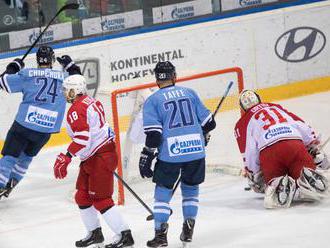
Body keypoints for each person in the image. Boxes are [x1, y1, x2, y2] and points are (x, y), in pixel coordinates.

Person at [139, 61, 216, 247]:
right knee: (190, 190)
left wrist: (146, 155)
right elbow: (209, 123)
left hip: (171, 154)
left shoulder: (153, 100)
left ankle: (160, 236)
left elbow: (154, 136)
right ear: (175, 76)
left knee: (162, 192)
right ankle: (189, 229)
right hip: (196, 151)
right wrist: (202, 134)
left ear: (157, 79)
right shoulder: (190, 93)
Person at [53, 74, 134, 248]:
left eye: (67, 90)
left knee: (102, 199)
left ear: (76, 90)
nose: (65, 93)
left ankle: (125, 235)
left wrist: (66, 156)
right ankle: (95, 233)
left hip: (100, 156)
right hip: (94, 156)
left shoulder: (76, 109)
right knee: (82, 196)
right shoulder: (90, 101)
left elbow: (83, 138)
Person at [0, 45, 81, 199]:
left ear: (37, 59)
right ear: (52, 59)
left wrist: (14, 66)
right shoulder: (64, 78)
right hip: (45, 130)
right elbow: (78, 80)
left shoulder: (27, 74)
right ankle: (12, 182)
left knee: (10, 156)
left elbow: (2, 82)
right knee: (26, 157)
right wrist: (70, 66)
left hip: (24, 125)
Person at [234, 89, 329, 209]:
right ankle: (306, 178)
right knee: (303, 165)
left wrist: (253, 173)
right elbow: (300, 124)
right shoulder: (275, 107)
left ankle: (279, 184)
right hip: (294, 144)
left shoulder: (242, 123)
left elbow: (249, 151)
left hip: (269, 152)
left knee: (272, 180)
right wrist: (312, 143)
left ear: (242, 107)